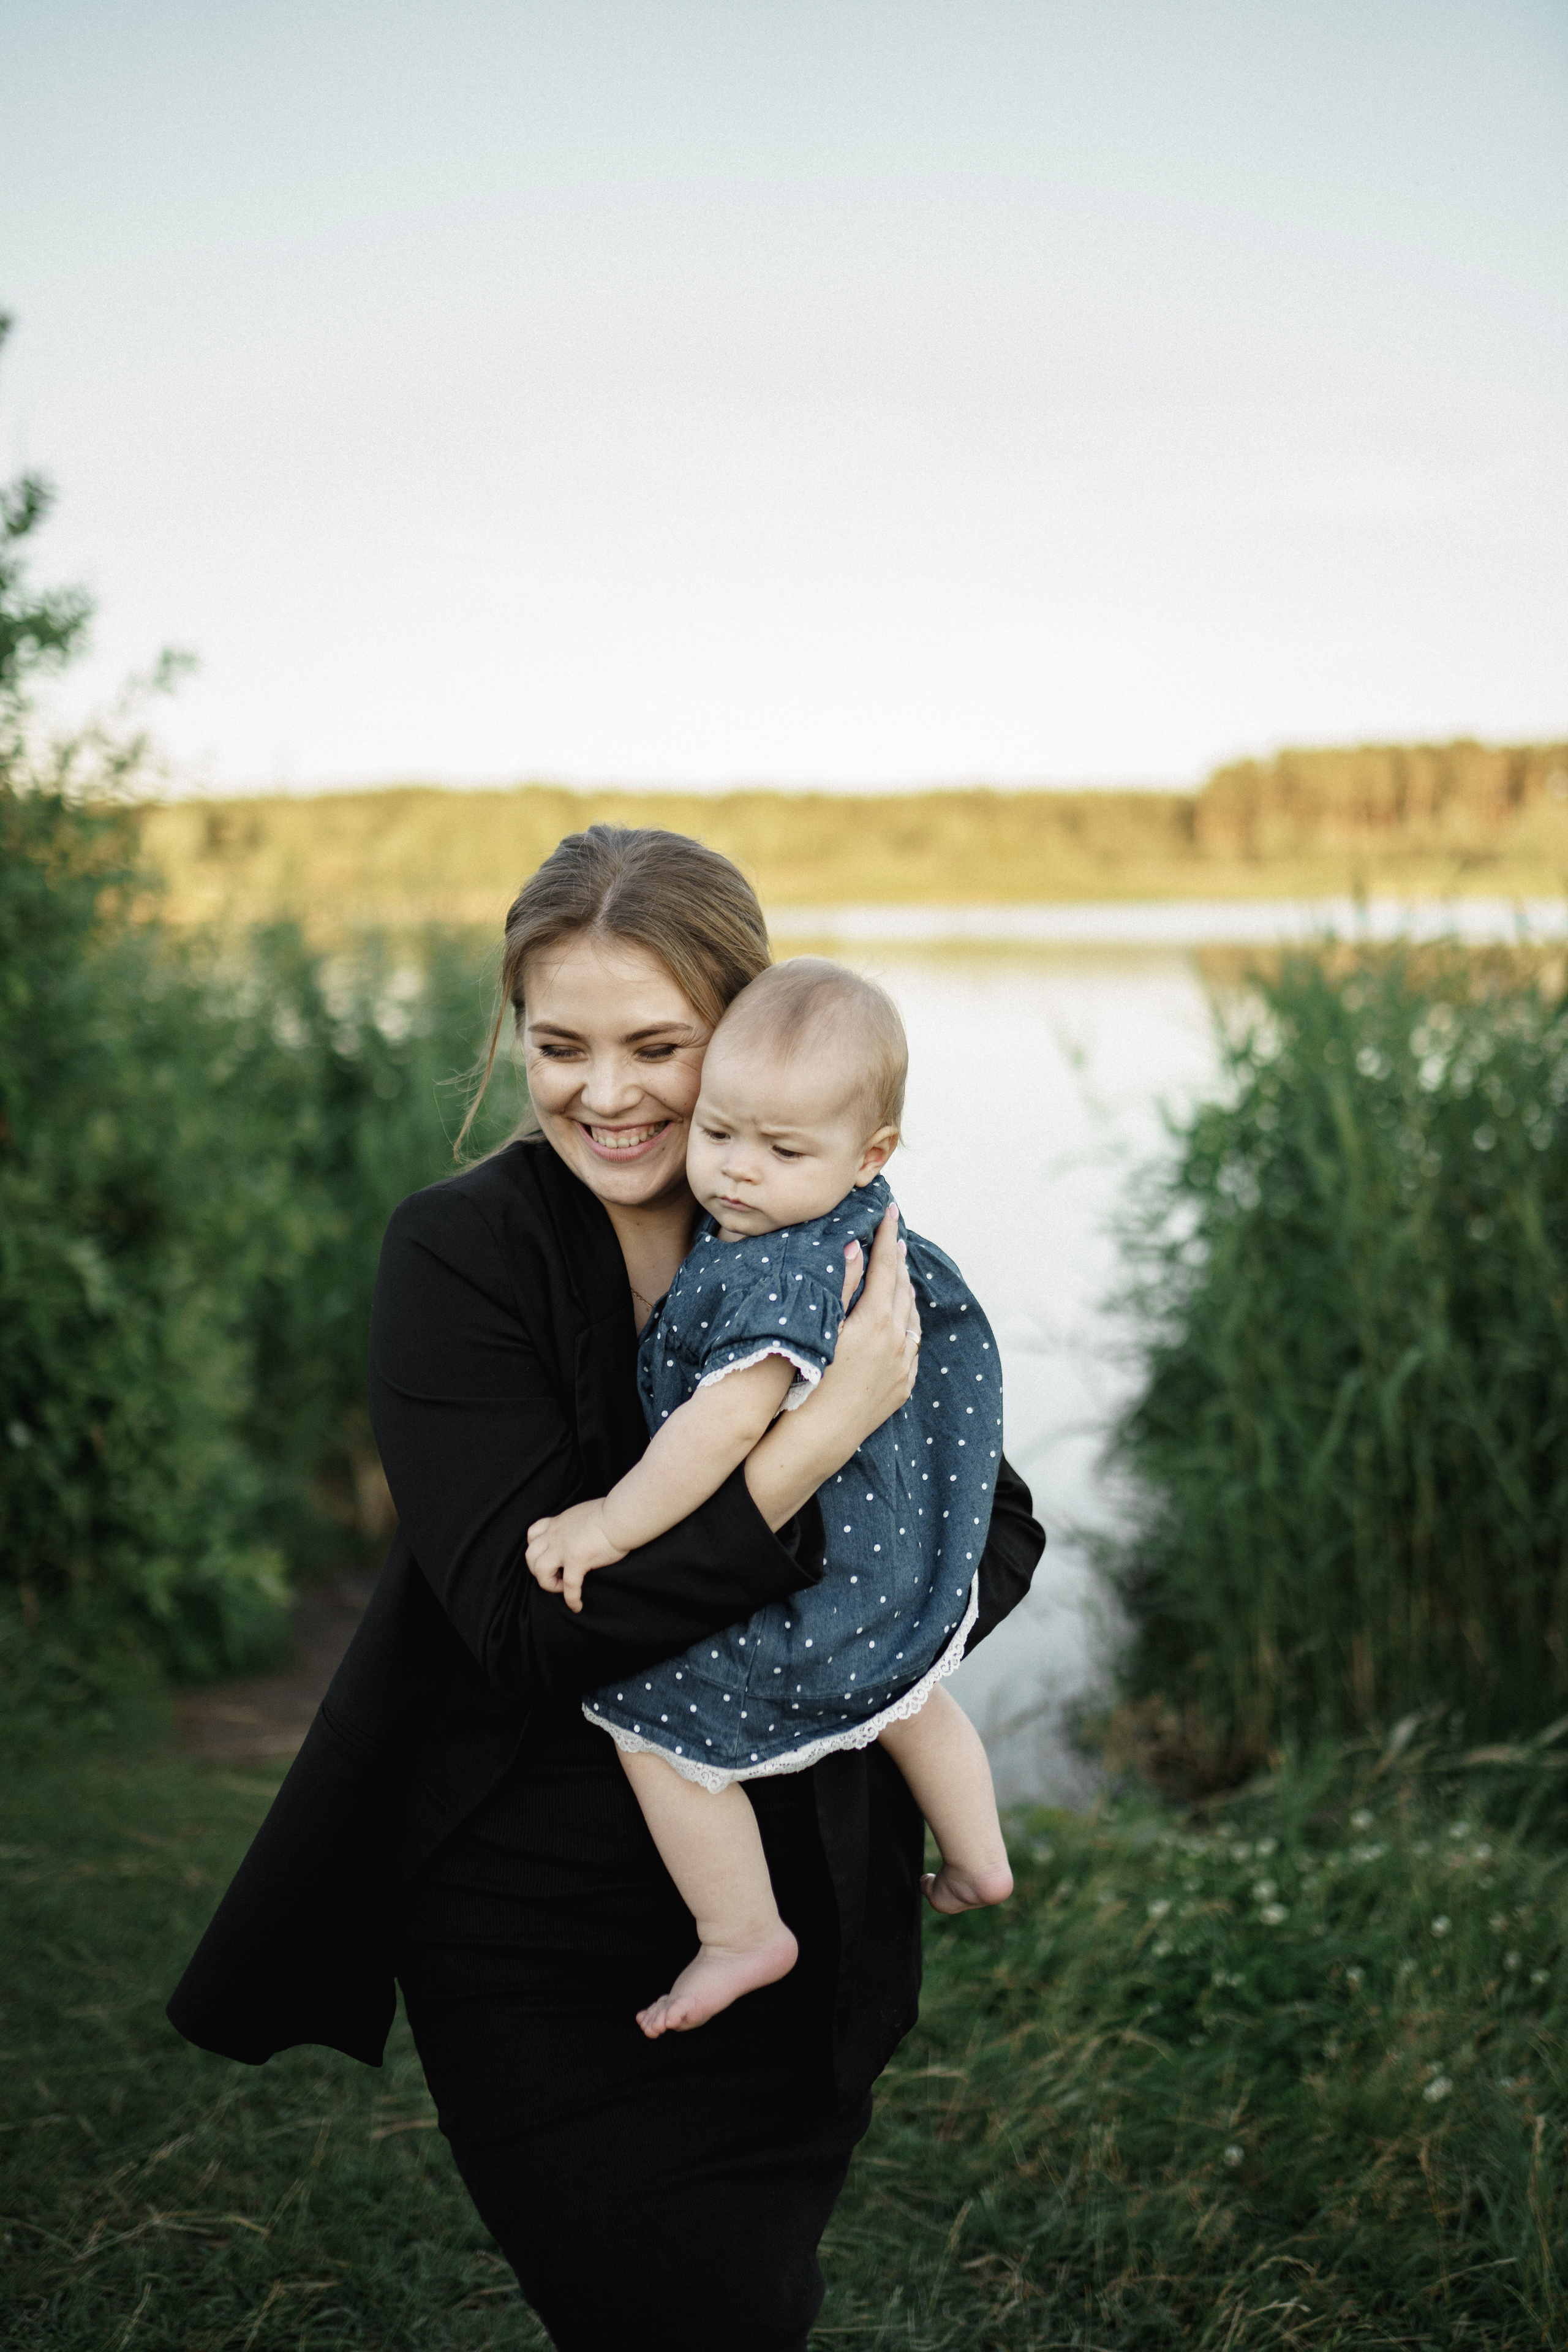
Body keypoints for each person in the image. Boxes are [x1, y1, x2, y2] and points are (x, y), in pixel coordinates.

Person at [167, 823, 1046, 2352]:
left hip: (809, 1902)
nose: (608, 1092)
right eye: (558, 1044)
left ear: (747, 1036)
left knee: (753, 2298)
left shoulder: (827, 1228)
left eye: (660, 1046)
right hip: (541, 1927)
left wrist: (865, 1629)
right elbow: (525, 1635)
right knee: (671, 2307)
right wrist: (815, 1443)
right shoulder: (461, 1259)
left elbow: (994, 1529)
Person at [526, 956, 1014, 2041]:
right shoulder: (861, 1222)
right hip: (900, 1570)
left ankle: (743, 1928)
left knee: (645, 1724)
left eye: (782, 1151)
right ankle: (981, 1855)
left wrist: (607, 1523)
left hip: (819, 1580)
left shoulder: (778, 1270)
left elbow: (724, 1428)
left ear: (870, 1152)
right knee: (914, 1694)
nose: (739, 1174)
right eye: (720, 1135)